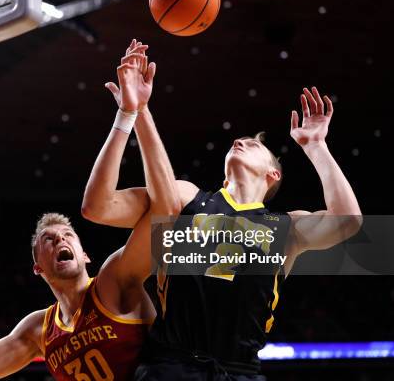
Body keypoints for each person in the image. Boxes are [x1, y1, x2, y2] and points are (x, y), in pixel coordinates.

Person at [82, 39, 362, 380]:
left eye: (254, 144)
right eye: (238, 141)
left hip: (239, 371)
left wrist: (317, 147)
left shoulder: (286, 229)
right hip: (172, 367)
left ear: (273, 174)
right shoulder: (188, 197)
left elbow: (348, 223)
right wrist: (132, 112)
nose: (239, 141)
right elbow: (98, 207)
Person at [0, 196, 176, 379]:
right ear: (38, 268)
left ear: (85, 256)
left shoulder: (114, 281)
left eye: (68, 235)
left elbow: (165, 223)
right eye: (48, 239)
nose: (60, 239)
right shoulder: (39, 329)